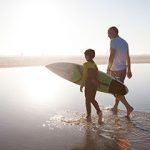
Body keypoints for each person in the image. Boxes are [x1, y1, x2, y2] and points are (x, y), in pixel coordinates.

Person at [107, 26, 134, 117]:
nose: (108, 35)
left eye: (109, 33)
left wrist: (108, 68)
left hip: (115, 70)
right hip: (123, 70)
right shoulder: (124, 42)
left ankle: (128, 107)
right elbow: (128, 57)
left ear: (115, 32)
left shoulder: (113, 41)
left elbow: (112, 55)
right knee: (119, 90)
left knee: (115, 91)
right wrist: (129, 70)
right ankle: (115, 107)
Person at [80, 49, 102, 124]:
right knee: (92, 99)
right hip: (95, 84)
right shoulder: (95, 65)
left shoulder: (85, 64)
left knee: (87, 100)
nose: (85, 57)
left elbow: (85, 76)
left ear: (88, 56)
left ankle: (88, 116)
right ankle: (99, 112)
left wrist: (81, 85)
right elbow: (97, 75)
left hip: (89, 84)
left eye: (85, 56)